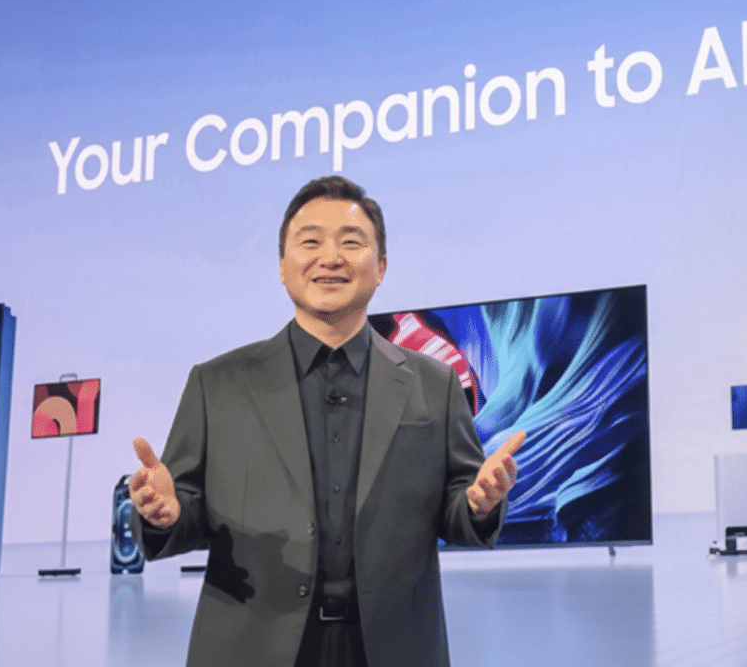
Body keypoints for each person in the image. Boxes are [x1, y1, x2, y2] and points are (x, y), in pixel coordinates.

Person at [130, 175, 524, 667]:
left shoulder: (436, 383)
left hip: (393, 649)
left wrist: (480, 503)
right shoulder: (218, 383)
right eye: (310, 241)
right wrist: (163, 512)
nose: (330, 257)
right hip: (250, 647)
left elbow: (456, 510)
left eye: (351, 242)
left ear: (380, 268)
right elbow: (185, 513)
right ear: (282, 266)